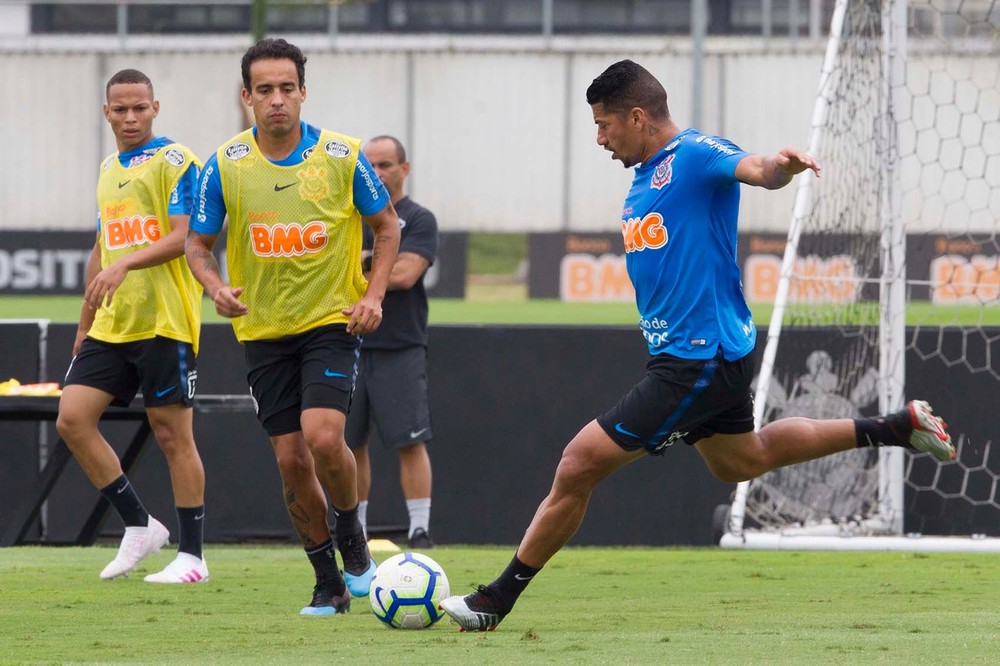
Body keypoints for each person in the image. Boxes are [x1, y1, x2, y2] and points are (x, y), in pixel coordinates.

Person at [439, 59, 955, 632]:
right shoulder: (644, 175)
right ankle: (897, 427)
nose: (600, 139)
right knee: (742, 461)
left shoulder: (693, 154)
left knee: (577, 464)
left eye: (605, 125)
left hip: (697, 360)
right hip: (699, 355)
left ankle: (496, 600)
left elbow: (753, 168)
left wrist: (779, 169)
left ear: (638, 117)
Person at [184, 38, 401, 616]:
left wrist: (373, 295)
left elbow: (387, 226)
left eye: (286, 88)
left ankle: (353, 537)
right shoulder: (225, 164)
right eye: (265, 90)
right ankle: (328, 582)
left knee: (324, 436)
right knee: (290, 460)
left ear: (304, 92)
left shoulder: (341, 155)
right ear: (247, 96)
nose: (276, 99)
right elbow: (197, 244)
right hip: (262, 331)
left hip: (331, 321)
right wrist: (214, 287)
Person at [56, 68, 208, 584]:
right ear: (106, 113)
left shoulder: (175, 160)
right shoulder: (107, 168)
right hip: (112, 325)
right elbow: (103, 248)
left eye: (139, 107)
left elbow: (185, 237)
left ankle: (193, 556)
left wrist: (125, 264)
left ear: (155, 108)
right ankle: (139, 524)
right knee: (72, 418)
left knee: (172, 435)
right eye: (120, 109)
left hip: (165, 321)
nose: (130, 117)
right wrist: (85, 322)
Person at [345, 136, 439, 549]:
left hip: (399, 344)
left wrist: (362, 262)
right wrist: (380, 261)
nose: (377, 173)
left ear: (404, 169)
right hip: (347, 342)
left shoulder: (418, 219)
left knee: (409, 440)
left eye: (385, 165)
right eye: (370, 166)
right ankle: (356, 528)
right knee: (349, 443)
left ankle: (419, 528)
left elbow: (403, 275)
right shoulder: (349, 216)